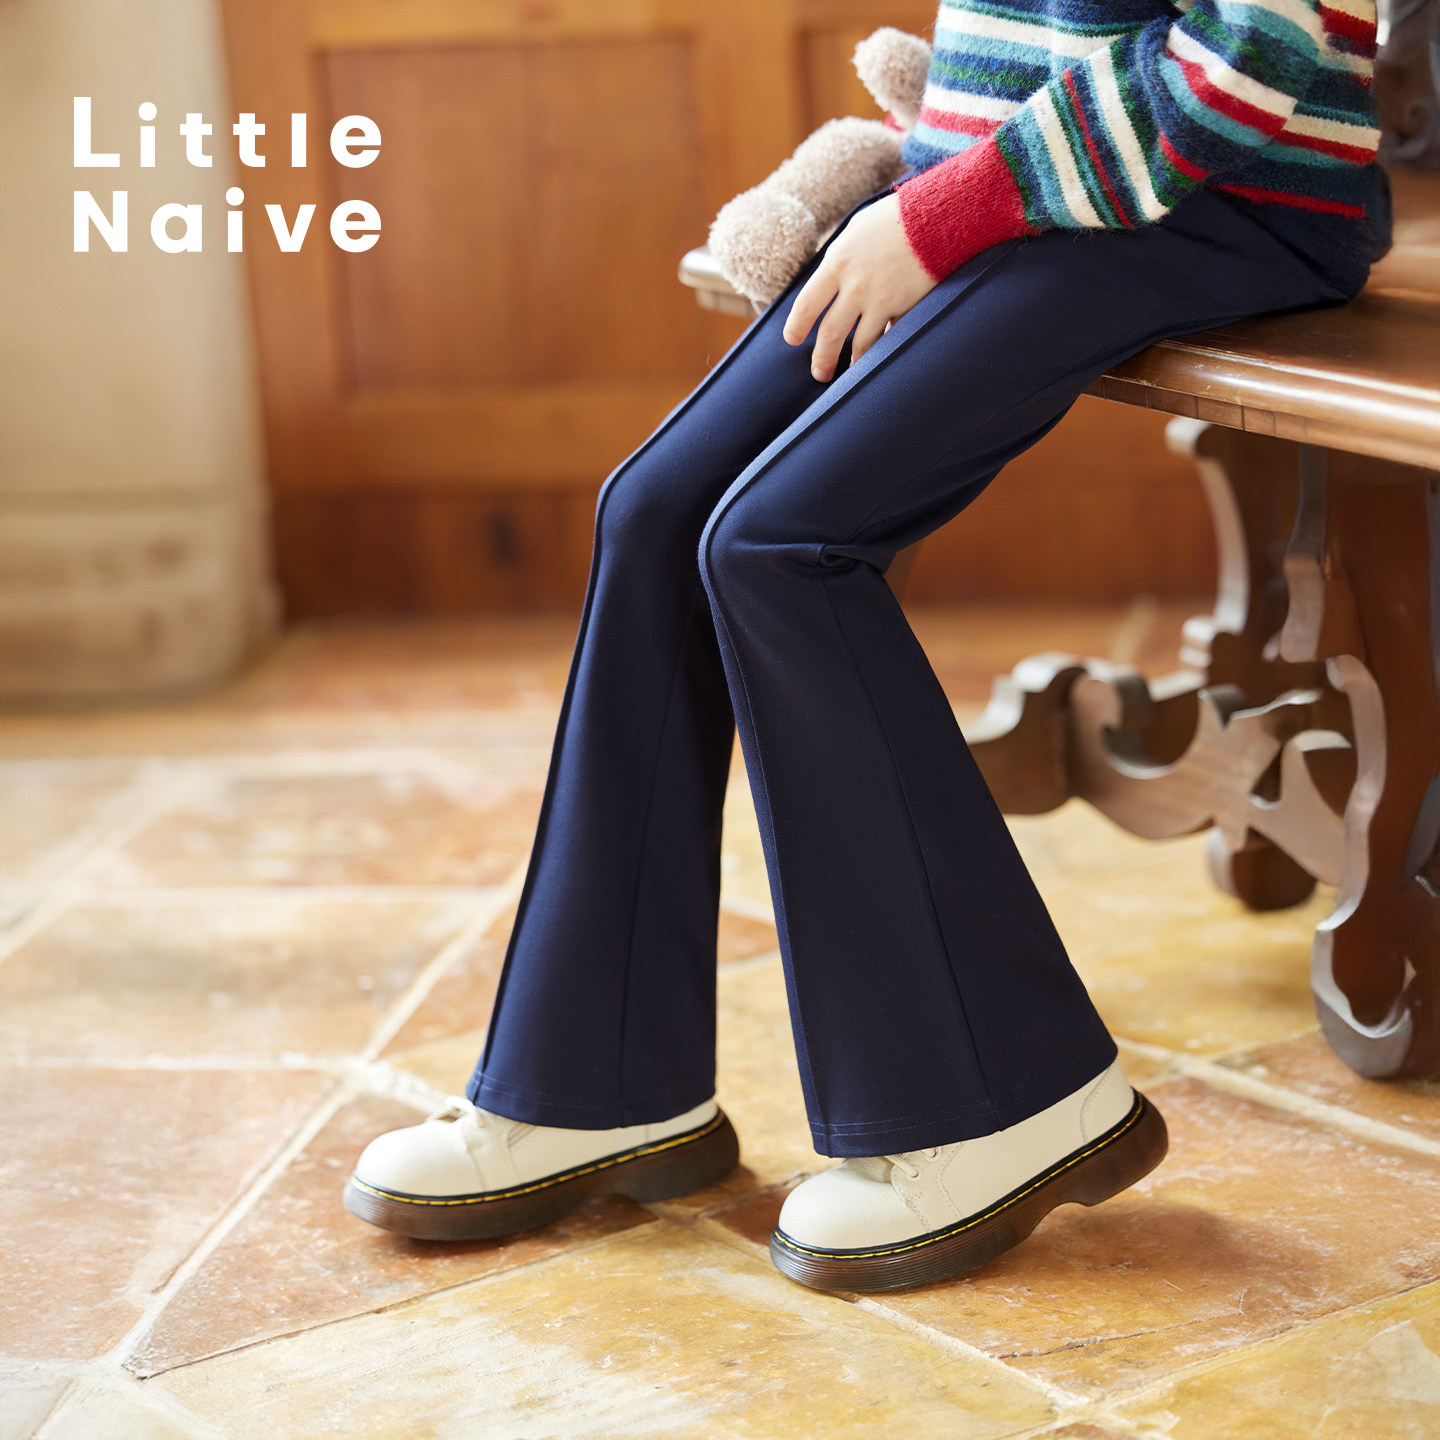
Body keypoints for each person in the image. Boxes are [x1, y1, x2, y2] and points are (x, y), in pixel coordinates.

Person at [343, 0, 1388, 1292]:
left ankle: (1006, 1099)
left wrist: (940, 218)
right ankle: (596, 1082)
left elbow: (1257, 54)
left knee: (780, 542)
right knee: (657, 513)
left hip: (1219, 197)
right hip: (1026, 187)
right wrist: (920, 175)